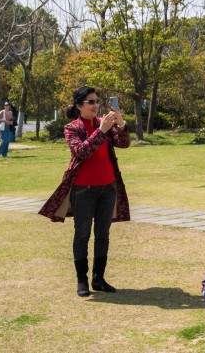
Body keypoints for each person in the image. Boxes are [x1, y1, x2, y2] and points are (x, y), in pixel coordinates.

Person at [38, 86, 131, 297]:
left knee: (103, 234)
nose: (96, 105)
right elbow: (81, 151)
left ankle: (99, 279)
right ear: (79, 106)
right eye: (90, 102)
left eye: (97, 101)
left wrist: (121, 123)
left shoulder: (103, 123)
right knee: (81, 234)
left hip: (108, 187)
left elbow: (124, 143)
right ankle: (82, 280)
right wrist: (102, 131)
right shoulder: (72, 128)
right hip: (83, 189)